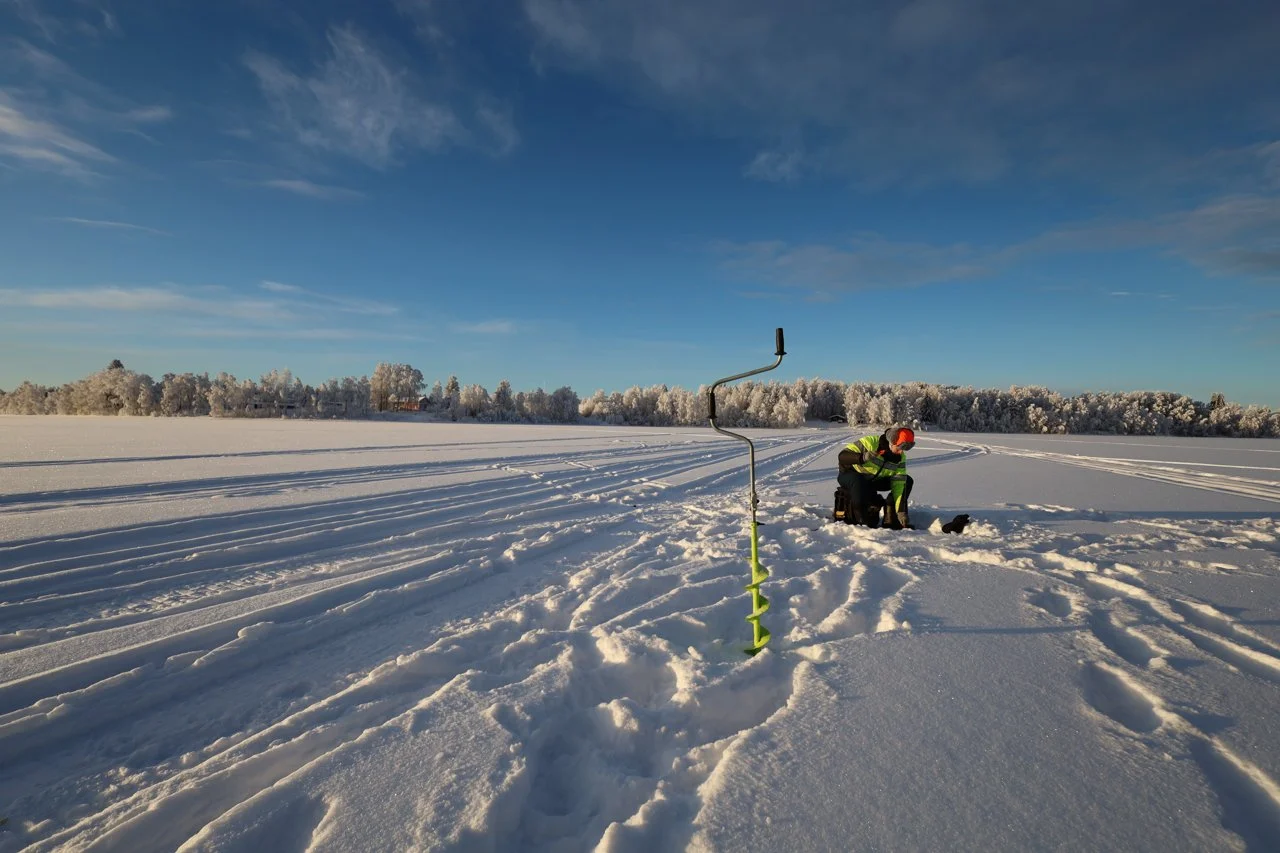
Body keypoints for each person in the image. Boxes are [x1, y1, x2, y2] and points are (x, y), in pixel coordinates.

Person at [836, 426, 915, 529]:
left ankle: (891, 518)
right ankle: (862, 522)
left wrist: (900, 511)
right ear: (892, 441)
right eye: (899, 448)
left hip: (874, 481)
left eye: (904, 450)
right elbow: (842, 456)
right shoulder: (870, 442)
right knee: (859, 482)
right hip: (850, 474)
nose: (901, 452)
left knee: (906, 480)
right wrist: (862, 457)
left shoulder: (900, 458)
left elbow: (899, 485)